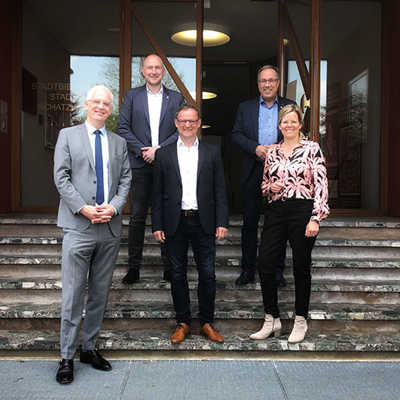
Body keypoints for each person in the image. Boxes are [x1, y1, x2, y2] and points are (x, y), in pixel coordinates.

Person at [53, 85, 131, 384]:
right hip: (79, 226)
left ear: (111, 109)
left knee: (99, 293)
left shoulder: (119, 142)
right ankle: (66, 356)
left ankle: (89, 348)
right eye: (96, 101)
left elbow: (125, 180)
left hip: (109, 228)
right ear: (87, 104)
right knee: (73, 294)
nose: (101, 106)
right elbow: (61, 177)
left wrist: (112, 207)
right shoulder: (67, 136)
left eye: (106, 103)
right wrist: (83, 208)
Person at [250, 104, 329, 344]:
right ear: (279, 125)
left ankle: (300, 319)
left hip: (303, 211)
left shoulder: (312, 149)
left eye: (293, 121)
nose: (289, 125)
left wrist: (316, 217)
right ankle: (271, 318)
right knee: (265, 262)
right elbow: (264, 185)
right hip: (276, 211)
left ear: (300, 124)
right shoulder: (272, 152)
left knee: (301, 266)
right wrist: (269, 188)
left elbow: (322, 184)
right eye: (285, 122)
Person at [152, 104, 229, 344]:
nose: (187, 125)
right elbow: (157, 193)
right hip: (174, 222)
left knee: (207, 274)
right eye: (183, 121)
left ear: (198, 123)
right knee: (177, 274)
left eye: (192, 121)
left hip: (203, 221)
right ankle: (183, 322)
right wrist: (157, 224)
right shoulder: (163, 154)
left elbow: (220, 189)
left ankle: (206, 322)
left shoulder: (211, 151)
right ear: (176, 123)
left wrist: (222, 221)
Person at [118, 54, 184, 284]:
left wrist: (159, 150)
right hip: (139, 165)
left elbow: (181, 130)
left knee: (166, 215)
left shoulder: (176, 99)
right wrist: (143, 150)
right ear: (143, 71)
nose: (154, 71)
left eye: (158, 68)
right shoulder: (132, 96)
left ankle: (169, 266)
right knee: (137, 217)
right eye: (150, 68)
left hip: (166, 164)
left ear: (163, 72)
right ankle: (134, 267)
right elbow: (123, 127)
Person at [232, 65, 296, 286]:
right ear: (258, 84)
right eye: (263, 81)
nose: (267, 85)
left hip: (281, 173)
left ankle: (276, 272)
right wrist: (256, 148)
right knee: (249, 224)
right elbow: (236, 135)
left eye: (271, 81)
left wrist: (278, 151)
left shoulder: (289, 106)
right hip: (253, 170)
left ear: (278, 83)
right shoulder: (245, 108)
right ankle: (247, 270)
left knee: (278, 224)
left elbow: (296, 134)